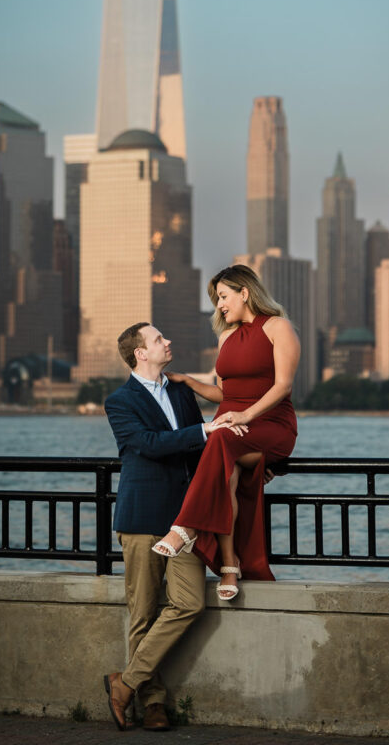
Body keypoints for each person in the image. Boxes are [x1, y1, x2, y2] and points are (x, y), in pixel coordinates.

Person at [102, 321, 242, 732]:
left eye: (165, 336)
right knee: (142, 612)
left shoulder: (181, 391)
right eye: (159, 339)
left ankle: (124, 683)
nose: (168, 342)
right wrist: (202, 431)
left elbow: (204, 452)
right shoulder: (119, 401)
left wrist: (243, 469)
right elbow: (147, 444)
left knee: (190, 603)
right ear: (139, 353)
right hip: (143, 518)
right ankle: (153, 703)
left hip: (186, 521)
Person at [152, 264, 299, 600]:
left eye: (222, 296)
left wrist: (244, 414)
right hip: (232, 430)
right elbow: (224, 394)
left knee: (218, 437)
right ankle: (230, 567)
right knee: (225, 473)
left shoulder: (278, 327)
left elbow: (284, 386)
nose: (218, 305)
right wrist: (189, 382)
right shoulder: (226, 337)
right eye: (216, 299)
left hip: (271, 426)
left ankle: (185, 528)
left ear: (244, 293)